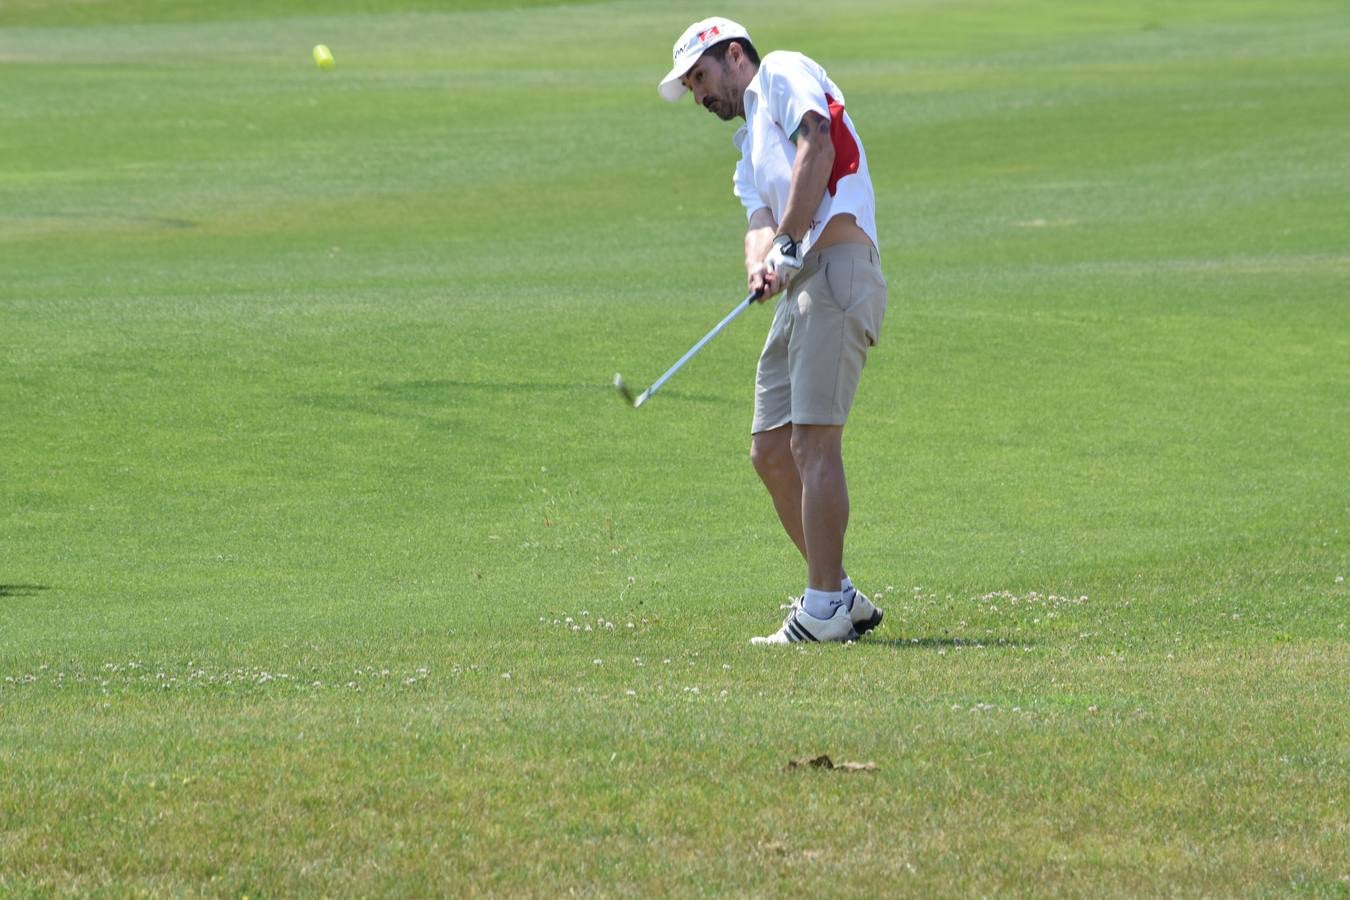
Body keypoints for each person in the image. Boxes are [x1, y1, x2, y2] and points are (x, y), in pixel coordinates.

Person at [658, 18, 889, 644]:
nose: (702, 97)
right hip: (800, 285)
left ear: (736, 56)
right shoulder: (748, 151)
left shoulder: (782, 72)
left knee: (814, 443)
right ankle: (839, 592)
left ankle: (820, 612)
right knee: (770, 449)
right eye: (692, 88)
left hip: (838, 269)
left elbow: (817, 145)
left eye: (702, 78)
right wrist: (765, 264)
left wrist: (788, 242)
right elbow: (759, 223)